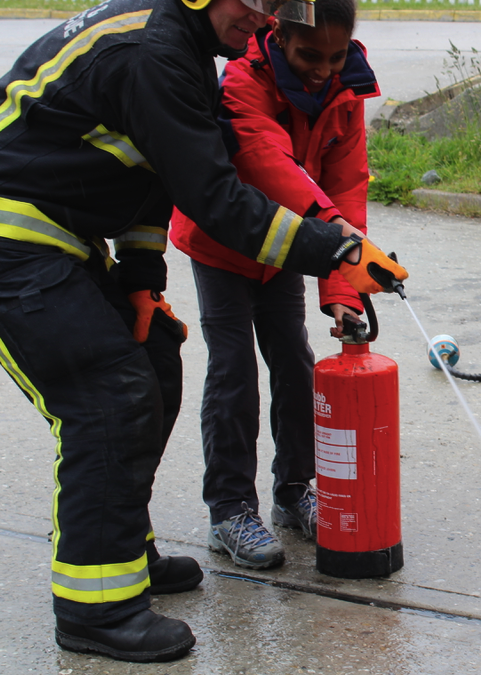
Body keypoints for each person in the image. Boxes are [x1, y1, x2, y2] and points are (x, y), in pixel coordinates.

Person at [0, 0, 406, 664]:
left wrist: (138, 276)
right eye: (257, 0)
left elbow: (149, 175)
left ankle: (121, 549)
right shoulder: (151, 52)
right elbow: (214, 198)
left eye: (281, 4)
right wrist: (334, 250)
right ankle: (95, 608)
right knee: (108, 396)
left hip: (58, 238)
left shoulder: (180, 50)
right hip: (17, 244)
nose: (267, 17)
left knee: (153, 364)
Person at [169, 0, 376, 569]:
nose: (323, 69)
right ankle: (230, 509)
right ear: (278, 34)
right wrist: (335, 235)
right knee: (233, 367)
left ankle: (293, 491)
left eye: (335, 57)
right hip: (226, 242)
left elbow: (348, 183)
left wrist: (342, 290)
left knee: (294, 360)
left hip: (291, 244)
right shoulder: (241, 77)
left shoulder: (346, 89)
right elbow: (265, 160)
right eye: (310, 54)